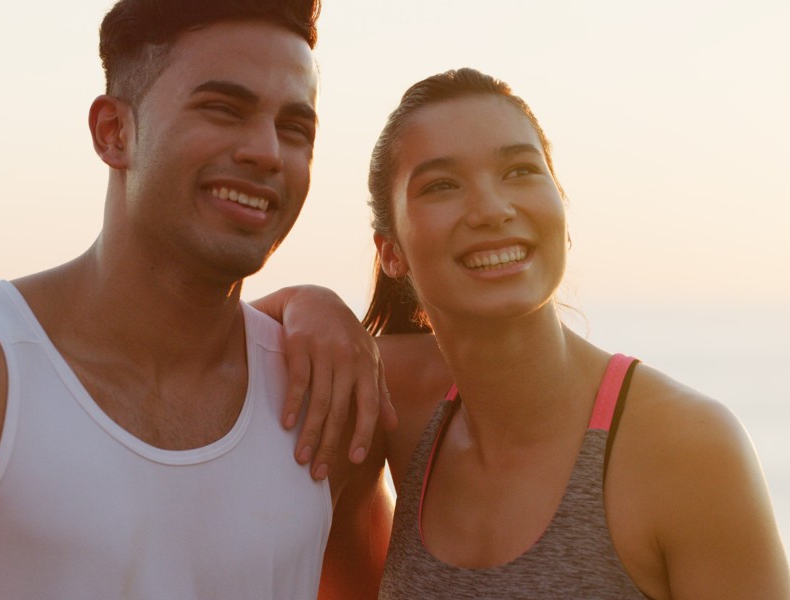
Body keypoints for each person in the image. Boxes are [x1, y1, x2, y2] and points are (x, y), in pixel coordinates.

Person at [0, 1, 395, 598]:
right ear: (114, 132)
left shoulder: (327, 403)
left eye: (295, 128)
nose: (267, 152)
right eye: (222, 109)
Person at [325, 68, 790, 598]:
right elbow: (229, 343)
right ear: (390, 251)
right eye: (442, 185)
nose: (494, 210)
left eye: (520, 171)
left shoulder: (689, 448)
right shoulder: (394, 399)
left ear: (563, 212)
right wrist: (306, 305)